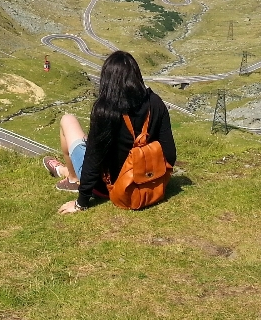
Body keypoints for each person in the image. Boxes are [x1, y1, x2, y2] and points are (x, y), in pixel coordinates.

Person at [42, 50, 176, 214]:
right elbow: (169, 154)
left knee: (68, 120)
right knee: (88, 140)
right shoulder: (155, 102)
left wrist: (81, 203)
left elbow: (93, 160)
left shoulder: (106, 110)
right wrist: (152, 177)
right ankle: (63, 171)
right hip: (150, 183)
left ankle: (71, 178)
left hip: (107, 188)